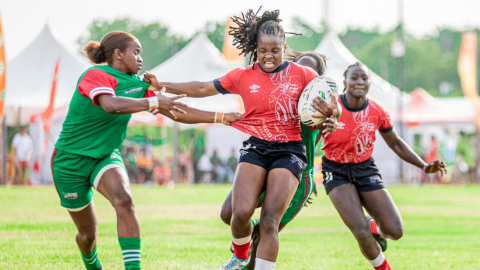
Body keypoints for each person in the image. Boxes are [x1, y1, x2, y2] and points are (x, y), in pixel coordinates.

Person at [147, 8, 326, 270]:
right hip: (256, 147)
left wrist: (331, 115)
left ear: (284, 46)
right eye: (263, 50)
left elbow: (330, 105)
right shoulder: (242, 76)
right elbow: (200, 88)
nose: (268, 56)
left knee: (269, 222)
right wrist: (162, 85)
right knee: (238, 213)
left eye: (275, 50)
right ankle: (240, 256)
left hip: (289, 151)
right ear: (255, 47)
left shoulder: (304, 75)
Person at [51, 31, 241, 270]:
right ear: (118, 54)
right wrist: (154, 101)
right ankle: (91, 263)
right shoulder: (96, 74)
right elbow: (111, 105)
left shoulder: (138, 85)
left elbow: (177, 111)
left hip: (104, 156)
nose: (141, 59)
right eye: (136, 52)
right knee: (88, 235)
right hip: (69, 162)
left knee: (125, 200)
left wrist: (223, 117)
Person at [320, 62, 447, 270]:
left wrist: (424, 166)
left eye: (364, 78)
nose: (359, 82)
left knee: (395, 231)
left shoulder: (377, 111)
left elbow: (396, 143)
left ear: (370, 83)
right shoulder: (332, 108)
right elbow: (312, 135)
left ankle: (373, 226)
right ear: (345, 82)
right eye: (354, 78)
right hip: (336, 171)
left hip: (365, 169)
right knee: (360, 232)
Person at [219, 50, 338, 270]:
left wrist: (330, 120)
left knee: (265, 232)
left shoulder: (318, 108)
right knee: (230, 213)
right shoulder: (280, 94)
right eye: (298, 68)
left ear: (317, 79)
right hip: (266, 164)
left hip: (296, 177)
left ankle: (252, 245)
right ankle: (251, 232)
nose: (302, 75)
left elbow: (324, 128)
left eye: (309, 71)